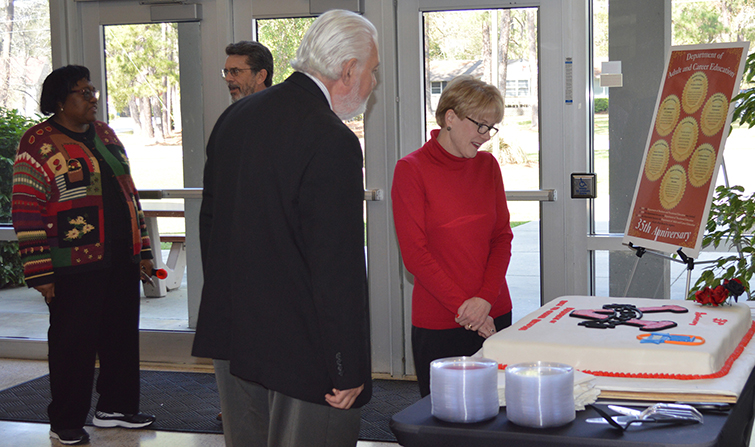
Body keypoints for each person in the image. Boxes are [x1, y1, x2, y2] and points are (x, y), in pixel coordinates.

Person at [192, 9, 379, 447]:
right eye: (372, 70)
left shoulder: (235, 118)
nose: (372, 82)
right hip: (306, 350)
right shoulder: (332, 138)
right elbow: (337, 265)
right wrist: (347, 365)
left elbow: (211, 226)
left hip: (236, 335)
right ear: (349, 69)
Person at [11, 65, 156, 445]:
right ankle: (66, 420)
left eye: (93, 91)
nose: (93, 98)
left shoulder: (106, 134)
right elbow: (26, 209)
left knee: (121, 336)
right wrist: (40, 272)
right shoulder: (37, 142)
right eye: (83, 92)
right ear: (60, 101)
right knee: (72, 343)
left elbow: (130, 193)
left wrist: (142, 249)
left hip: (119, 258)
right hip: (71, 265)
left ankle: (117, 408)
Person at [391, 75, 513, 397]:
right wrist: (466, 309)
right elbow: (415, 255)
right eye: (480, 125)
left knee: (499, 416)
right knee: (442, 424)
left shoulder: (488, 167)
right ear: (450, 117)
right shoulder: (411, 170)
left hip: (494, 312)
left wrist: (485, 300)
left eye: (492, 127)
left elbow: (502, 237)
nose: (486, 137)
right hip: (441, 320)